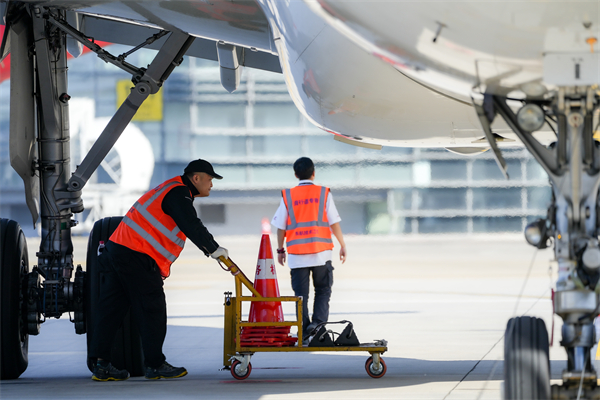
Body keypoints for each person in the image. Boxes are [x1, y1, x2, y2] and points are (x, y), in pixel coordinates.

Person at [89, 159, 229, 381]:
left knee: (111, 309)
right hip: (136, 254)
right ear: (196, 178)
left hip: (118, 251)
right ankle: (155, 365)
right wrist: (213, 249)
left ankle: (101, 365)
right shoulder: (178, 193)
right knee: (152, 308)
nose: (211, 184)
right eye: (210, 179)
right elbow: (191, 225)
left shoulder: (169, 189)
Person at [271, 157, 346, 340]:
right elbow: (333, 222)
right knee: (322, 290)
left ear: (296, 174)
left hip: (297, 255)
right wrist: (343, 245)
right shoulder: (324, 193)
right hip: (321, 253)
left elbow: (280, 227)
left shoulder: (288, 195)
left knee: (300, 296)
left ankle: (304, 331)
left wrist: (280, 250)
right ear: (314, 173)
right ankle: (318, 326)